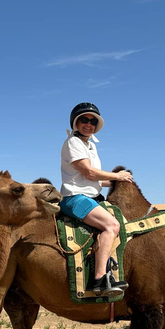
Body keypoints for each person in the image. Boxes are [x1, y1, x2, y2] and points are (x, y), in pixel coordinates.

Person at [59, 102, 134, 296]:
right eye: (84, 119)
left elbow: (94, 181)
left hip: (90, 195)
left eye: (93, 121)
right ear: (76, 123)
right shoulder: (73, 143)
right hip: (75, 198)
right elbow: (90, 173)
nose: (88, 124)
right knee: (112, 226)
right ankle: (100, 279)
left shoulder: (90, 145)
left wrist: (120, 182)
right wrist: (117, 176)